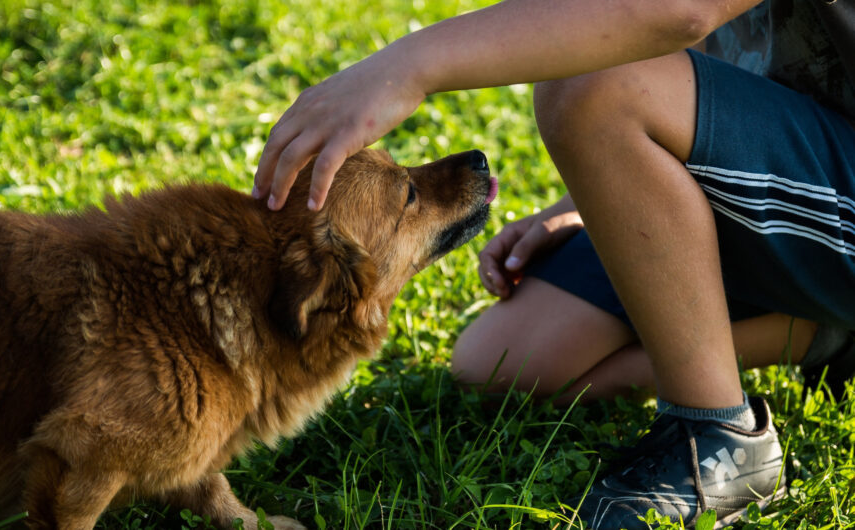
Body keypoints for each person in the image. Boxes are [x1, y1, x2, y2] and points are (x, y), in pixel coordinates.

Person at [254, 0, 855, 527]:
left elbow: (677, 8)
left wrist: (403, 67)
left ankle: (718, 434)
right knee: (505, 363)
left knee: (590, 87)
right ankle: (822, 331)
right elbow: (678, 38)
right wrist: (611, 188)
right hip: (788, 157)